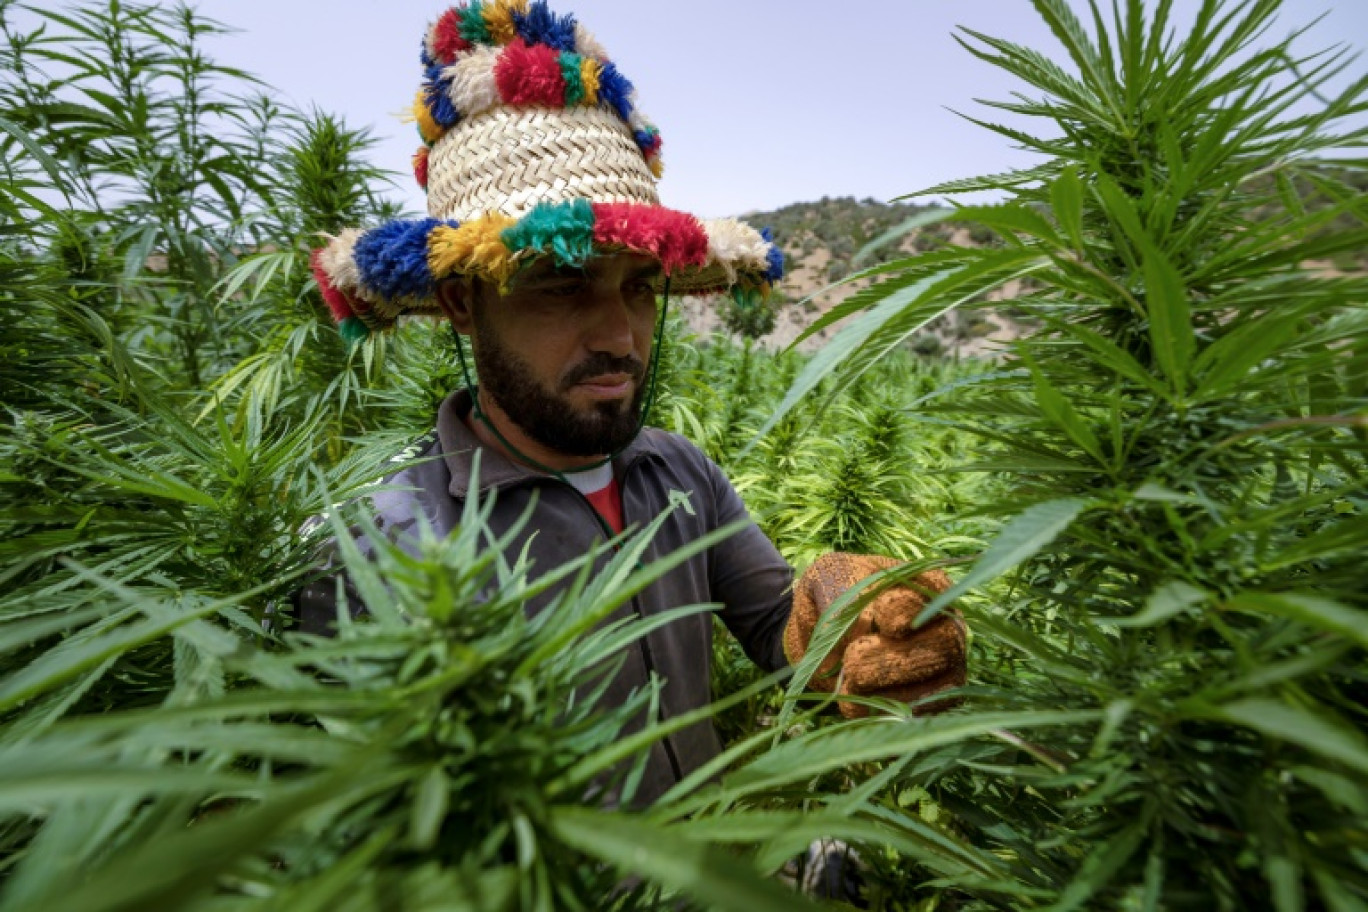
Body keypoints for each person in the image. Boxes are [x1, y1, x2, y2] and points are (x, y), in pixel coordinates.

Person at [299, 0, 967, 808]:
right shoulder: (387, 546)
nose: (619, 333)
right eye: (562, 284)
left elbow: (773, 628)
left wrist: (848, 621)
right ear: (464, 301)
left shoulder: (677, 472)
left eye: (640, 287)